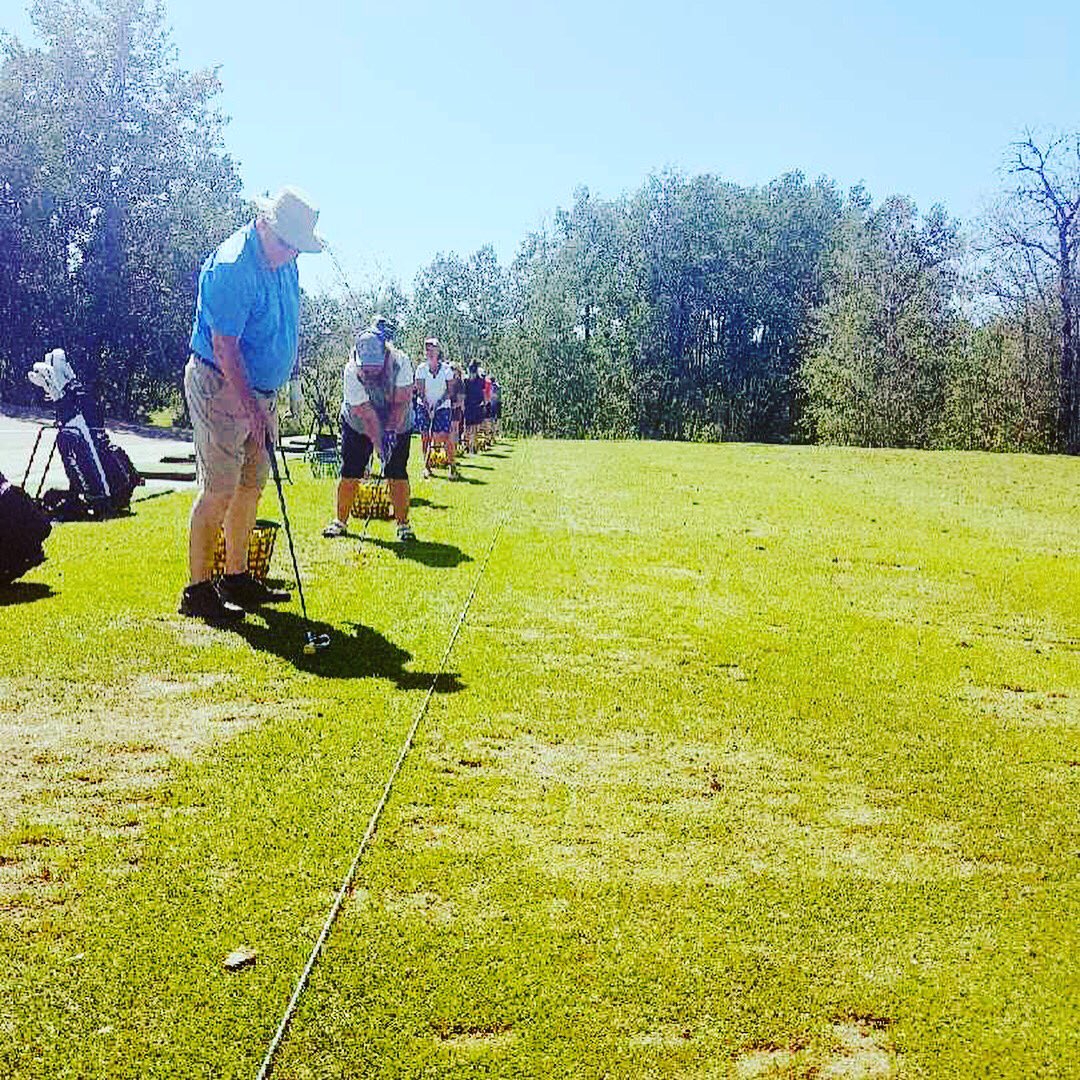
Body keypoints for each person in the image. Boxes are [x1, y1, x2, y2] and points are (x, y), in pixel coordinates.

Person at [180, 186, 325, 622]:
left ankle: (236, 577)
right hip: (221, 384)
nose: (291, 255)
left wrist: (285, 384)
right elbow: (225, 349)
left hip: (262, 393)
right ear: (264, 224)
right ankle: (198, 590)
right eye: (286, 244)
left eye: (298, 248)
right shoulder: (232, 267)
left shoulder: (285, 263)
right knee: (220, 488)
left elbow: (285, 327)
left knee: (250, 485)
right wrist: (252, 408)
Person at [321, 318, 416, 542]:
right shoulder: (351, 371)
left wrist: (391, 431)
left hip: (399, 419)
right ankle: (340, 522)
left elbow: (401, 402)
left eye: (375, 366)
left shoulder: (401, 363)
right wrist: (380, 445)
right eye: (367, 368)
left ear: (386, 354)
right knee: (351, 470)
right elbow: (368, 417)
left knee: (396, 471)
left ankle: (403, 525)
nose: (370, 373)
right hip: (358, 422)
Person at [414, 337, 458, 479]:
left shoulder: (446, 370)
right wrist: (428, 406)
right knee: (425, 436)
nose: (430, 352)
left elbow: (450, 391)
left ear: (438, 351)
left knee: (444, 437)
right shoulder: (421, 369)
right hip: (424, 406)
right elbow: (420, 391)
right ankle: (426, 467)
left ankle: (452, 467)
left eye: (433, 349)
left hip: (442, 406)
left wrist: (437, 405)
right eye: (427, 349)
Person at [463, 360, 485, 454]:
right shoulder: (468, 381)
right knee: (470, 427)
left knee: (472, 427)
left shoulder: (469, 381)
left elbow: (482, 393)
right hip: (471, 405)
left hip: (475, 405)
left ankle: (471, 446)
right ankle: (470, 446)